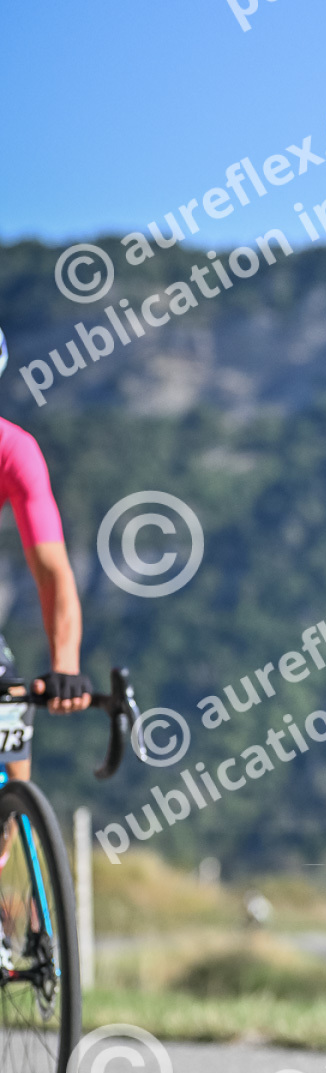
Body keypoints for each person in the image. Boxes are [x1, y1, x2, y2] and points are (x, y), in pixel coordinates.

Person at [0, 333, 92, 779]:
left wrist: (66, 666)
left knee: (12, 757)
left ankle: (12, 814)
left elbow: (53, 571)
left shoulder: (13, 451)